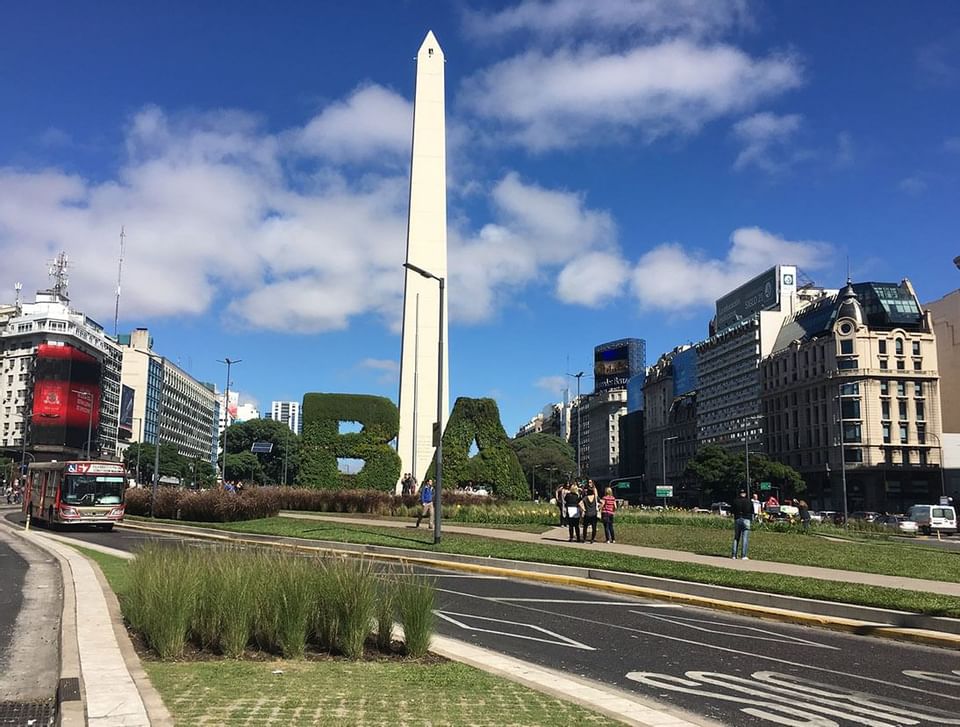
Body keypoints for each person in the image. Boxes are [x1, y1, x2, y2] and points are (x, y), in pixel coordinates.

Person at [731, 489, 753, 559]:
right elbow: (752, 511)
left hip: (737, 518)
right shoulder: (749, 501)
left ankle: (734, 555)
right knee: (745, 538)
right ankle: (744, 555)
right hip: (746, 519)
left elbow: (732, 511)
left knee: (736, 537)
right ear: (745, 494)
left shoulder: (735, 501)